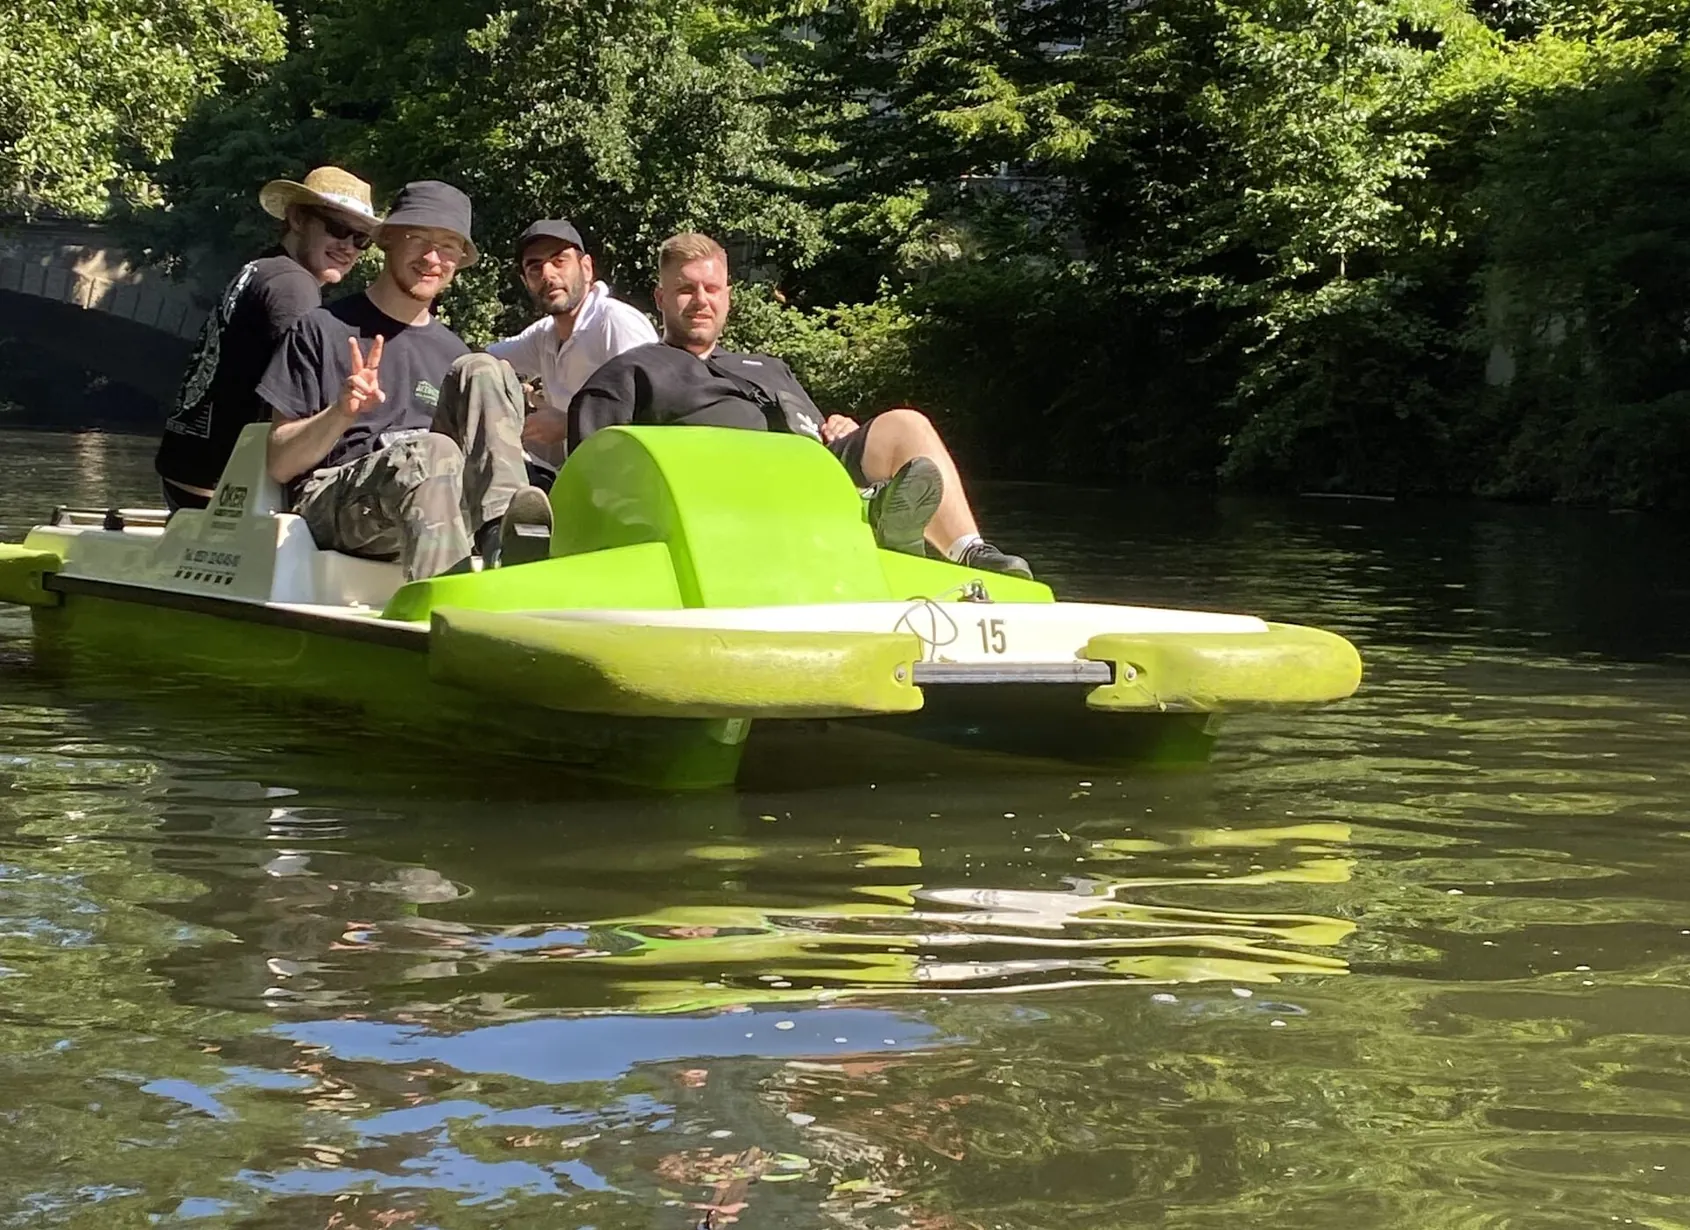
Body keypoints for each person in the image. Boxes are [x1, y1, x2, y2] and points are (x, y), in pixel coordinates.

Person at [568, 232, 1032, 578]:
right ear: (661, 298)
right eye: (686, 290)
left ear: (728, 295)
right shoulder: (630, 373)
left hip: (815, 469)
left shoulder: (766, 367)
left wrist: (840, 429)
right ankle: (872, 517)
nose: (700, 301)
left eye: (712, 289)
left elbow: (817, 430)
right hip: (726, 497)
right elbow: (591, 475)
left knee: (905, 424)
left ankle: (968, 552)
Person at [257, 180, 552, 581]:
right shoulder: (321, 328)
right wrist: (342, 412)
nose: (433, 257)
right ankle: (442, 606)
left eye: (448, 245)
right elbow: (279, 462)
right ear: (388, 240)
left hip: (437, 496)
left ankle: (502, 538)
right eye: (419, 238)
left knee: (486, 368)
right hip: (333, 506)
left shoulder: (456, 355)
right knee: (432, 453)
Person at [155, 166, 380, 510]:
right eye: (338, 229)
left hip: (185, 474)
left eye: (360, 239)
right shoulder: (294, 287)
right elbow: (305, 392)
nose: (348, 247)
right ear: (298, 219)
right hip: (224, 492)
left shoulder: (260, 268)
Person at [484, 219, 659, 476]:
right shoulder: (545, 335)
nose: (548, 275)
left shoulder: (614, 323)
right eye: (535, 268)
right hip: (578, 480)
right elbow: (482, 359)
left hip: (628, 484)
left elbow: (653, 415)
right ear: (526, 282)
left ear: (586, 268)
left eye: (559, 261)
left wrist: (569, 424)